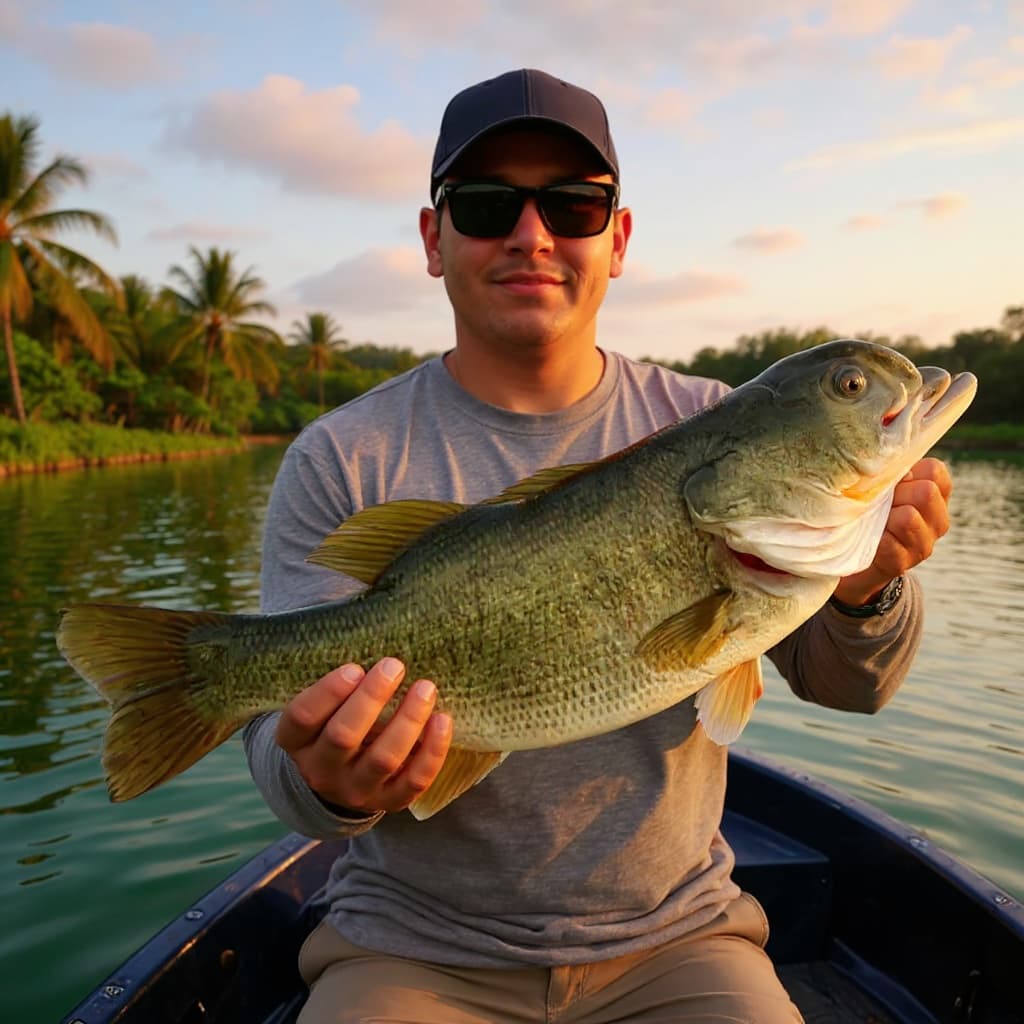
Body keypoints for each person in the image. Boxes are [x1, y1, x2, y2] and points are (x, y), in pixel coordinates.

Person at [246, 68, 954, 1023]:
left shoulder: (707, 421)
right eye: (489, 204)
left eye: (574, 207)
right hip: (408, 946)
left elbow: (852, 688)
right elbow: (284, 767)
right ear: (433, 237)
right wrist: (329, 784)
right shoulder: (345, 457)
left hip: (678, 935)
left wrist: (866, 590)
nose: (531, 235)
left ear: (616, 241)